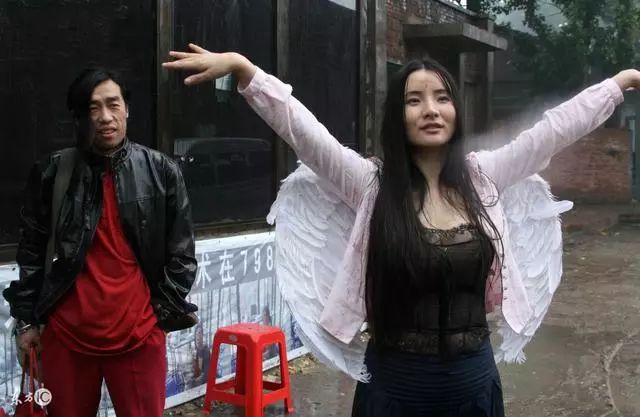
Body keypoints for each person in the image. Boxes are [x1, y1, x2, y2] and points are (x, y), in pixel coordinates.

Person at [163, 44, 637, 416]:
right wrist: (246, 71)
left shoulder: (484, 178)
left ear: (455, 111)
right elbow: (304, 132)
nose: (431, 109)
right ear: (398, 115)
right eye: (414, 100)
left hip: (473, 383)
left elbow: (552, 130)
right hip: (395, 385)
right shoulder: (369, 183)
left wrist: (622, 82)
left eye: (442, 97)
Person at [3, 67, 198, 417]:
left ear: (127, 109)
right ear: (80, 117)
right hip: (66, 337)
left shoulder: (161, 172)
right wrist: (27, 321)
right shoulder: (52, 173)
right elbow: (31, 253)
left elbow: (181, 255)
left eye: (113, 104)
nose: (105, 117)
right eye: (93, 108)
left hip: (139, 337)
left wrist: (158, 316)